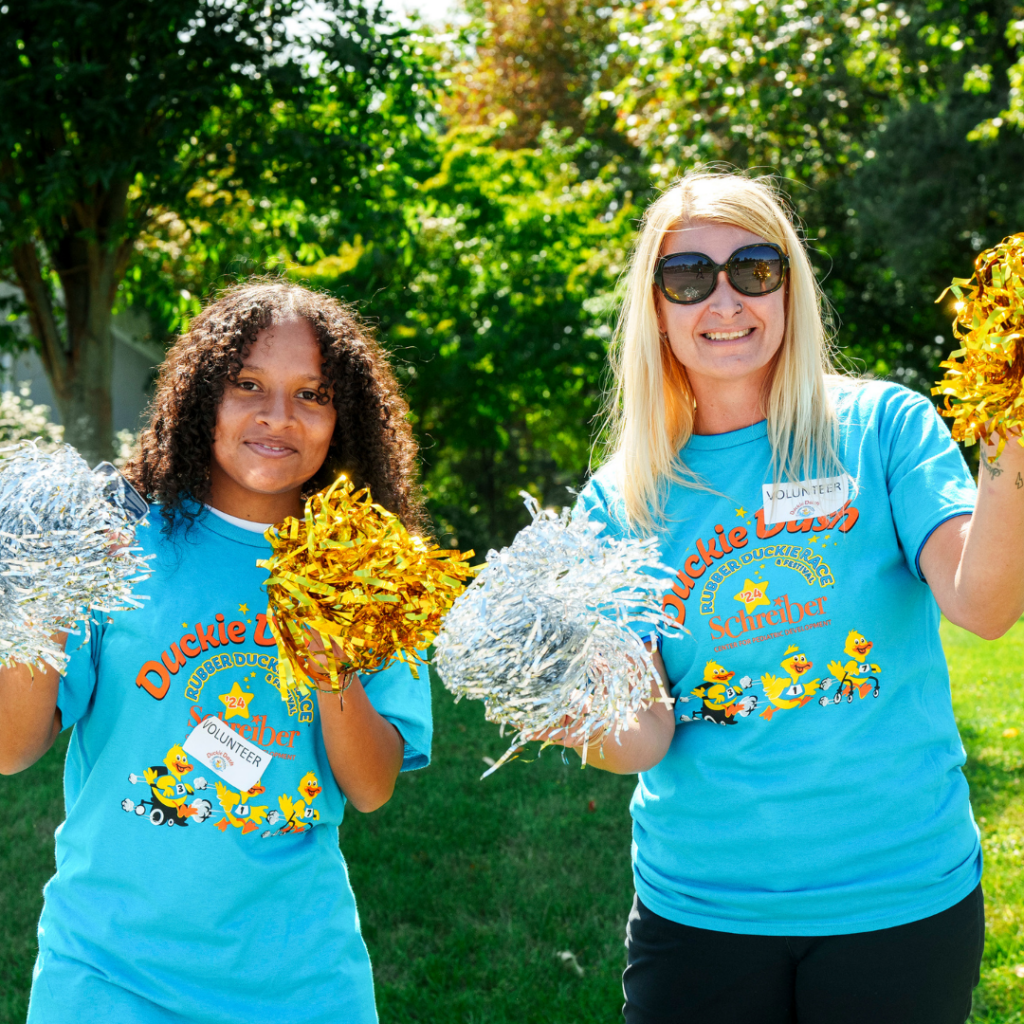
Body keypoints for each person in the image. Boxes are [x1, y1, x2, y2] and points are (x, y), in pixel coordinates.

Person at [564, 171, 1024, 1023]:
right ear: (657, 310)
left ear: (791, 286)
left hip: (899, 894)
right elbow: (645, 733)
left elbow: (985, 606)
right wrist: (571, 708)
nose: (725, 298)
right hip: (701, 908)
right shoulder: (620, 500)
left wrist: (1014, 448)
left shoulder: (886, 427)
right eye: (689, 278)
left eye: (755, 268)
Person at [0, 281, 432, 1024]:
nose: (278, 417)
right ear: (203, 396)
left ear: (344, 418)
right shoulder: (116, 540)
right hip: (107, 974)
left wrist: (331, 664)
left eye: (312, 395)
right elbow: (11, 750)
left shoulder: (365, 563)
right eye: (248, 386)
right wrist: (40, 608)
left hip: (298, 985)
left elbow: (372, 787)